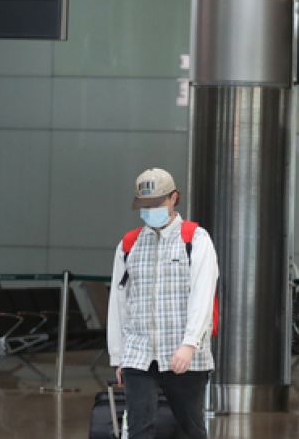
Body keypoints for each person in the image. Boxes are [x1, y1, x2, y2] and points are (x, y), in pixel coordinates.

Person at [107, 168, 219, 439]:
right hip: (138, 352)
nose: (150, 211)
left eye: (157, 203)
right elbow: (119, 301)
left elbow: (203, 296)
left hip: (183, 354)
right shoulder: (129, 245)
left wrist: (190, 344)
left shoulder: (196, 240)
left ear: (174, 198)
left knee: (190, 430)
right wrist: (119, 355)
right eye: (144, 206)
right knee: (139, 429)